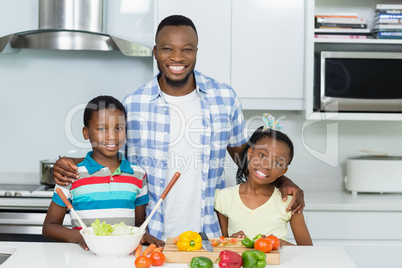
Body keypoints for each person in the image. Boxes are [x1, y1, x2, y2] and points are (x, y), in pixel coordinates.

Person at [52, 15, 305, 240]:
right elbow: (112, 157)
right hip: (151, 235)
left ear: (196, 51)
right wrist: (68, 164)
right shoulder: (134, 103)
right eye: (167, 49)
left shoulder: (225, 98)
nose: (177, 57)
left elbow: (244, 157)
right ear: (155, 51)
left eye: (187, 49)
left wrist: (284, 181)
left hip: (210, 234)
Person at [42, 95, 164, 250]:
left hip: (124, 258)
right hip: (84, 258)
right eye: (101, 128)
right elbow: (49, 227)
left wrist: (143, 234)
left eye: (118, 128)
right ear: (86, 133)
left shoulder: (138, 174)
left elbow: (139, 225)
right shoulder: (72, 174)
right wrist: (82, 237)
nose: (112, 136)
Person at [215, 115, 312, 246]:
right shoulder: (223, 198)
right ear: (250, 153)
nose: (266, 165)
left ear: (283, 172)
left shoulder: (289, 203)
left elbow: (308, 251)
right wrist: (232, 241)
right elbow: (221, 246)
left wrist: (279, 244)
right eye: (262, 155)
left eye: (278, 163)